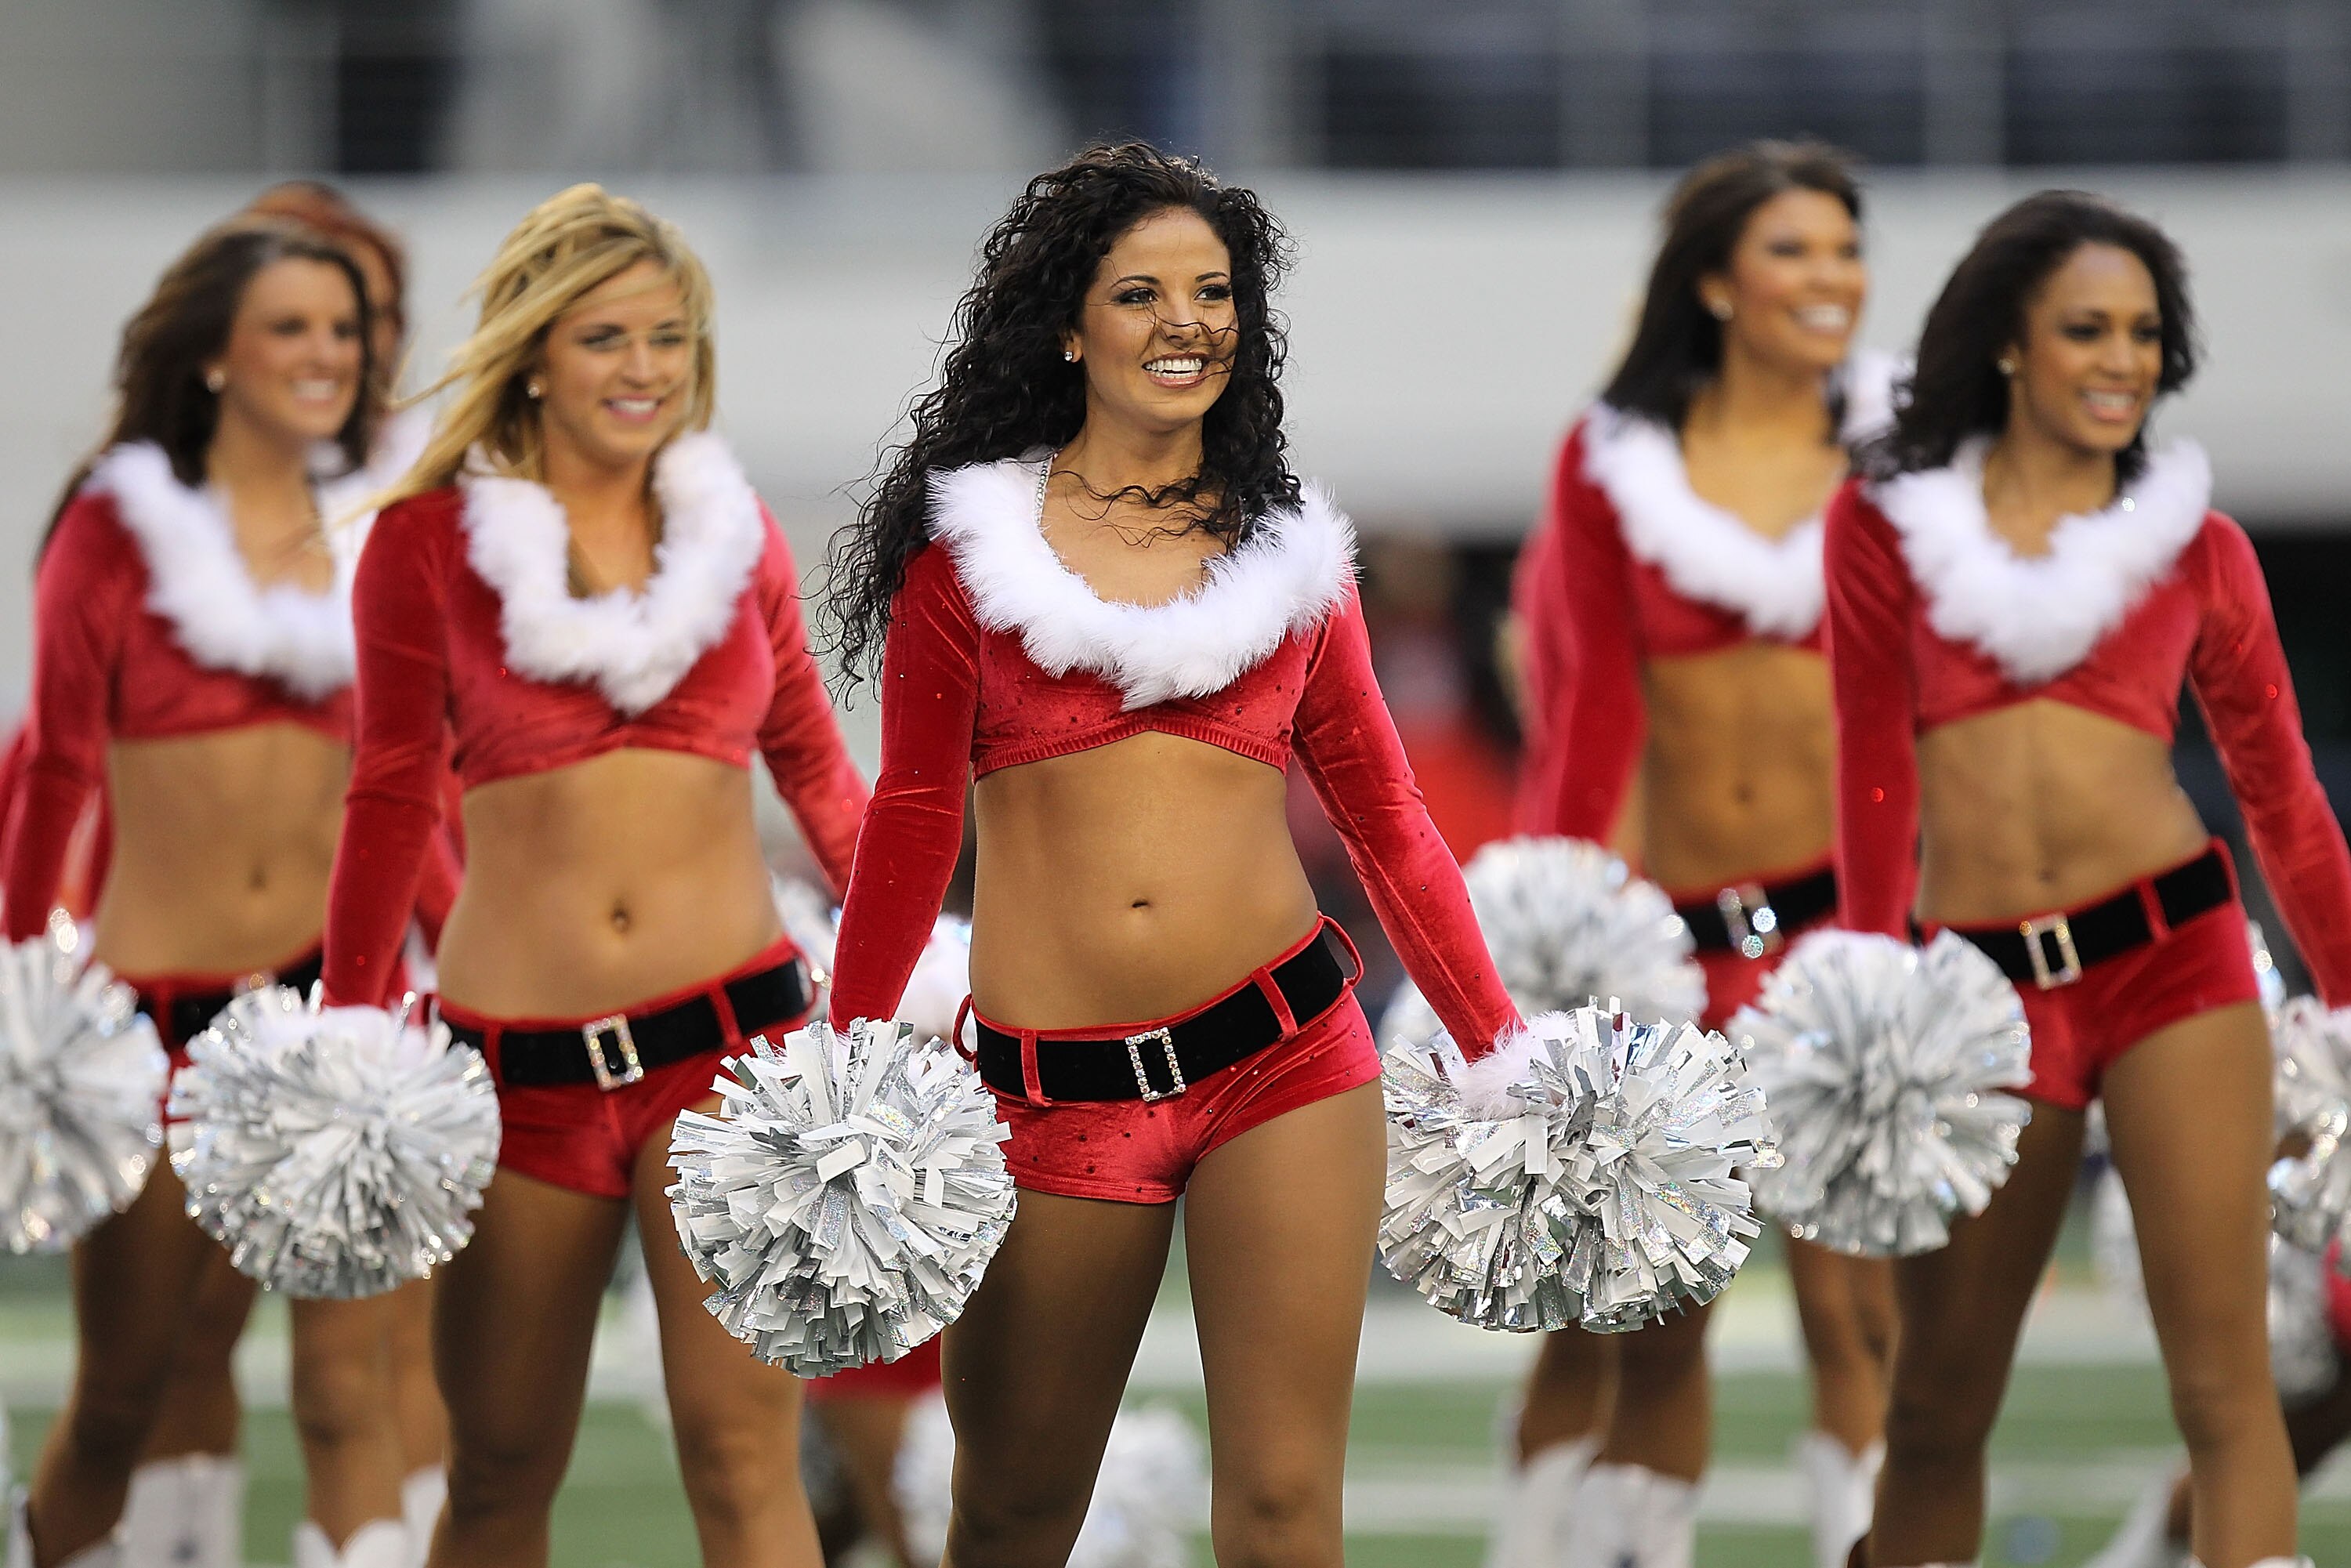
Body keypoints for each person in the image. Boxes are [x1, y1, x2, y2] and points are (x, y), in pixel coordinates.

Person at [818, 140, 1527, 1568]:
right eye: (1141, 292)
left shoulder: (1292, 558)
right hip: (1051, 1089)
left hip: (1284, 1058)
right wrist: (847, 1067)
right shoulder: (967, 557)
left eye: (1214, 292)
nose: (1185, 320)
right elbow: (911, 817)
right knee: (1010, 1516)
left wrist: (1501, 1051)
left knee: (1280, 1514)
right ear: (1071, 326)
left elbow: (1388, 819)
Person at [319, 183, 864, 1568]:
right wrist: (345, 1025)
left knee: (742, 1454)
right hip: (521, 1072)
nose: (642, 369)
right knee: (498, 1469)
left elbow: (816, 764)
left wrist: (917, 958)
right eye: (606, 337)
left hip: (732, 1049)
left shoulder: (733, 536)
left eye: (668, 338)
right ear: (536, 354)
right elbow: (387, 793)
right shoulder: (424, 544)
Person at [1827, 189, 2346, 1568]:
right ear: (2010, 343)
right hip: (1982, 993)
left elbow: (2282, 796)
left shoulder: (2200, 547)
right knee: (1939, 1402)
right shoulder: (1888, 533)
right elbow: (1872, 773)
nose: (2122, 359)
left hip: (2176, 959)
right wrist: (1877, 977)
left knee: (2228, 1386)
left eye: (2143, 332)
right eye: (2085, 329)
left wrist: (2350, 1000)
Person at [4, 219, 437, 1568]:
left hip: (329, 1019)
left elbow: (419, 778)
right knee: (124, 1393)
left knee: (345, 1394)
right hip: (151, 1024)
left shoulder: (381, 518)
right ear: (212, 357)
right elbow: (56, 765)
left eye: (344, 331)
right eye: (292, 329)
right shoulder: (117, 519)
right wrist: (26, 993)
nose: (327, 355)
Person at [1505, 139, 1896, 1568]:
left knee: (1859, 1312)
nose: (1832, 279)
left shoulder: (1906, 445)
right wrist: (1552, 930)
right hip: (1670, 949)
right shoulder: (1616, 458)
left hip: (1845, 938)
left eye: (1846, 250)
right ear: (1721, 282)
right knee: (1656, 1321)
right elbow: (1593, 712)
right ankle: (1583, 1541)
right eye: (1795, 250)